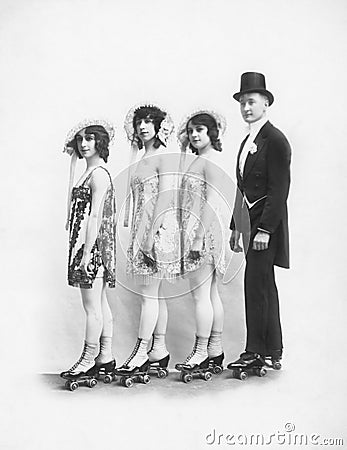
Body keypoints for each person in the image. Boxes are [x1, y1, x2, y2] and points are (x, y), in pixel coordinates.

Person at [228, 72, 291, 372]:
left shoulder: (275, 140)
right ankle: (273, 349)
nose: (246, 108)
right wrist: (234, 227)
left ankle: (255, 350)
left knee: (256, 283)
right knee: (263, 283)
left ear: (266, 103)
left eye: (251, 102)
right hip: (248, 223)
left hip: (267, 222)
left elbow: (279, 190)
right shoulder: (247, 141)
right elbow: (242, 187)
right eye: (242, 102)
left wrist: (265, 229)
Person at [115, 104, 179, 380]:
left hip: (157, 227)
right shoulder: (142, 156)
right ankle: (159, 350)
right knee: (155, 293)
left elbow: (166, 197)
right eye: (140, 122)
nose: (143, 127)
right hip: (143, 226)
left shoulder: (163, 156)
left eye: (149, 122)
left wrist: (151, 235)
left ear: (159, 127)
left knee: (148, 294)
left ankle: (142, 352)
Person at [60, 119, 117, 382]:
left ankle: (88, 359)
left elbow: (95, 217)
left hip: (91, 248)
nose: (84, 144)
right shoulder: (87, 171)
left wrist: (85, 254)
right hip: (83, 245)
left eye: (90, 139)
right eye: (80, 139)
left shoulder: (99, 175)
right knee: (99, 303)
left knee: (92, 306)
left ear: (100, 142)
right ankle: (105, 357)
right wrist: (72, 159)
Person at [175, 111, 227, 374]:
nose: (195, 135)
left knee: (200, 296)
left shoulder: (210, 162)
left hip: (202, 233)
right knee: (210, 293)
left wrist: (196, 238)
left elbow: (212, 201)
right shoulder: (198, 160)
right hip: (199, 231)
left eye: (200, 130)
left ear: (211, 133)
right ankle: (215, 350)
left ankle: (201, 352)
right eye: (191, 131)